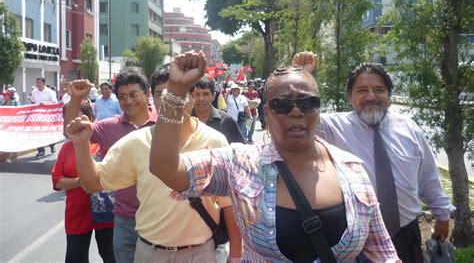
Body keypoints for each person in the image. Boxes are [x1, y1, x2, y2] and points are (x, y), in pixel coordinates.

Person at [148, 51, 399, 262]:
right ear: (266, 113)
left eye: (308, 102)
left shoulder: (353, 169)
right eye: (282, 104)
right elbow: (166, 168)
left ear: (319, 109)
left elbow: (384, 254)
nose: (296, 112)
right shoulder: (239, 163)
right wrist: (177, 91)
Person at [65, 66, 242, 263]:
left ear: (191, 96)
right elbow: (92, 184)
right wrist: (81, 145)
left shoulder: (215, 141)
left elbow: (230, 203)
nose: (169, 101)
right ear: (153, 98)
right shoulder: (135, 143)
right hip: (150, 253)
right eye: (162, 94)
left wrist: (235, 255)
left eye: (176, 94)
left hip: (200, 253)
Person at [308, 58, 455, 262]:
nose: (371, 96)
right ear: (350, 97)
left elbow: (428, 177)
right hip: (356, 239)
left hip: (406, 233)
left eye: (379, 90)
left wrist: (442, 215)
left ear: (389, 96)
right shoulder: (331, 128)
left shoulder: (409, 128)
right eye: (361, 90)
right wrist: (306, 75)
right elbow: (301, 116)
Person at [64, 70, 157, 263]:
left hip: (160, 216)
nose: (128, 101)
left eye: (134, 94)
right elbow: (72, 130)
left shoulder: (166, 124)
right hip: (125, 220)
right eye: (122, 97)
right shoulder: (109, 127)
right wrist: (76, 99)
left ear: (147, 93)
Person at [52, 101, 115, 263]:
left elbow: (113, 175)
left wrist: (90, 179)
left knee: (111, 256)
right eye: (70, 119)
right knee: (75, 258)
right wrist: (85, 180)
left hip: (106, 214)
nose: (76, 124)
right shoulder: (66, 148)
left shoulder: (103, 144)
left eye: (80, 118)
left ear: (90, 119)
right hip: (77, 213)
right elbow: (58, 180)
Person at [191, 75, 246, 144]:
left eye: (205, 94)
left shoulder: (227, 121)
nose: (201, 99)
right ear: (191, 96)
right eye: (197, 94)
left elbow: (240, 150)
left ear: (213, 96)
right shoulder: (183, 121)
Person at [31, 77, 58, 157]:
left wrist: (45, 104)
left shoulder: (50, 92)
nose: (38, 84)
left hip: (48, 116)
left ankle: (52, 145)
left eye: (39, 83)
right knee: (38, 133)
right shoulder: (34, 92)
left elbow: (54, 102)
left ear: (44, 83)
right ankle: (40, 150)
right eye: (37, 83)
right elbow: (32, 102)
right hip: (37, 116)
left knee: (48, 132)